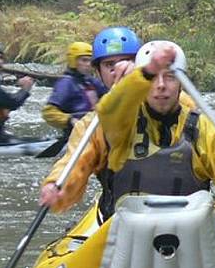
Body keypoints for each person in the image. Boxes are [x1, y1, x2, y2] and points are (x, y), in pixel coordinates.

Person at [40, 39, 215, 228]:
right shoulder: (114, 123)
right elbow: (78, 158)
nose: (161, 86)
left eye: (170, 78)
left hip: (190, 233)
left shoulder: (199, 126)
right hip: (122, 232)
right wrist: (58, 187)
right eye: (154, 78)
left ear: (181, 82)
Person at [38, 26, 142, 209]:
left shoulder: (171, 100)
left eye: (126, 61)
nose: (118, 69)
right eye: (109, 65)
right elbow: (75, 163)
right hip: (121, 218)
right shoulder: (89, 125)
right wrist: (57, 184)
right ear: (99, 71)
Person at [41, 41, 107, 138]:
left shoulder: (91, 81)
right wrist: (70, 120)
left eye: (90, 60)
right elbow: (48, 112)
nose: (88, 64)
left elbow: (110, 97)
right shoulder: (66, 83)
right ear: (73, 61)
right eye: (84, 60)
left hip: (96, 132)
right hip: (75, 136)